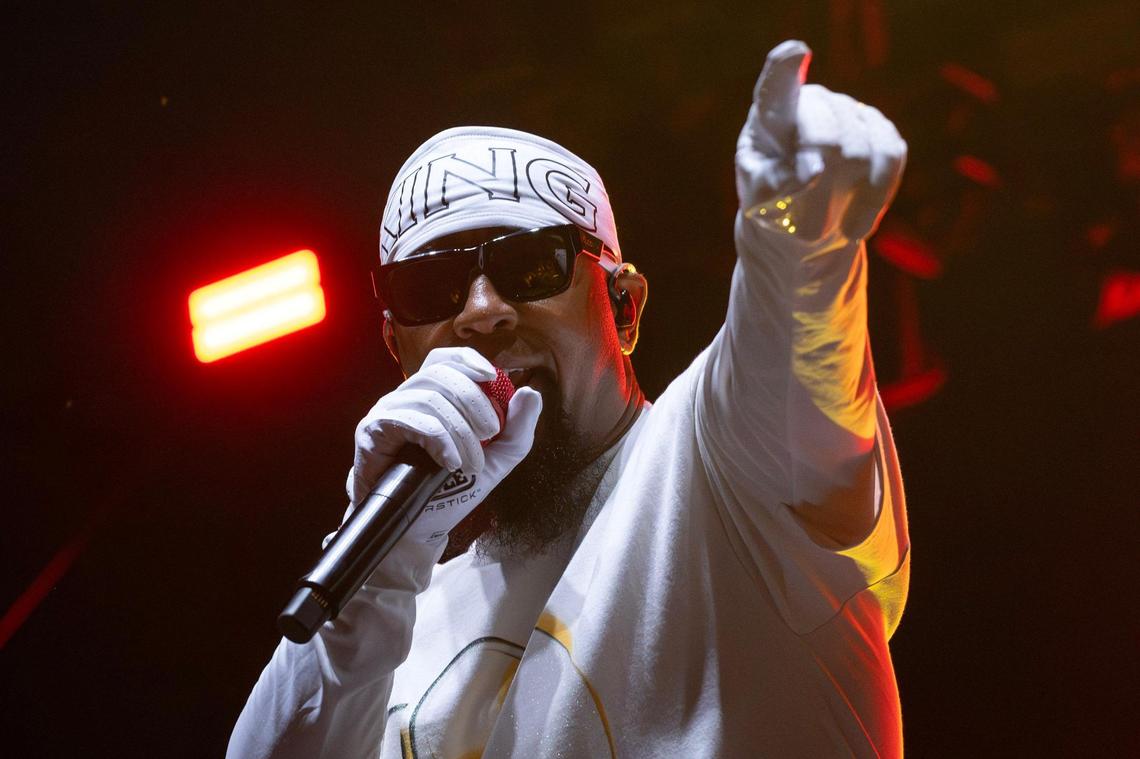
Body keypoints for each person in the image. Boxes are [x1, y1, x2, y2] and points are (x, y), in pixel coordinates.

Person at [229, 40, 910, 758]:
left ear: (624, 308)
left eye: (530, 266)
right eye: (431, 288)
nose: (482, 312)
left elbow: (795, 349)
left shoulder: (721, 468)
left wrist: (797, 240)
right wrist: (378, 567)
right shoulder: (391, 620)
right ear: (395, 345)